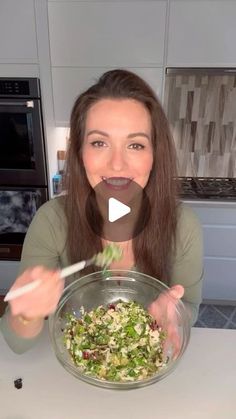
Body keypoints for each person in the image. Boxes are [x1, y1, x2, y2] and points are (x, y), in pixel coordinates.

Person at [0, 69, 203, 354]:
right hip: (76, 365)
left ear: (155, 155)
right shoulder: (52, 220)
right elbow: (16, 342)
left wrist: (174, 314)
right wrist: (27, 313)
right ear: (80, 153)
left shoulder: (183, 225)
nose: (117, 165)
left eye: (135, 145)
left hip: (147, 363)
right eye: (99, 143)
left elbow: (190, 306)